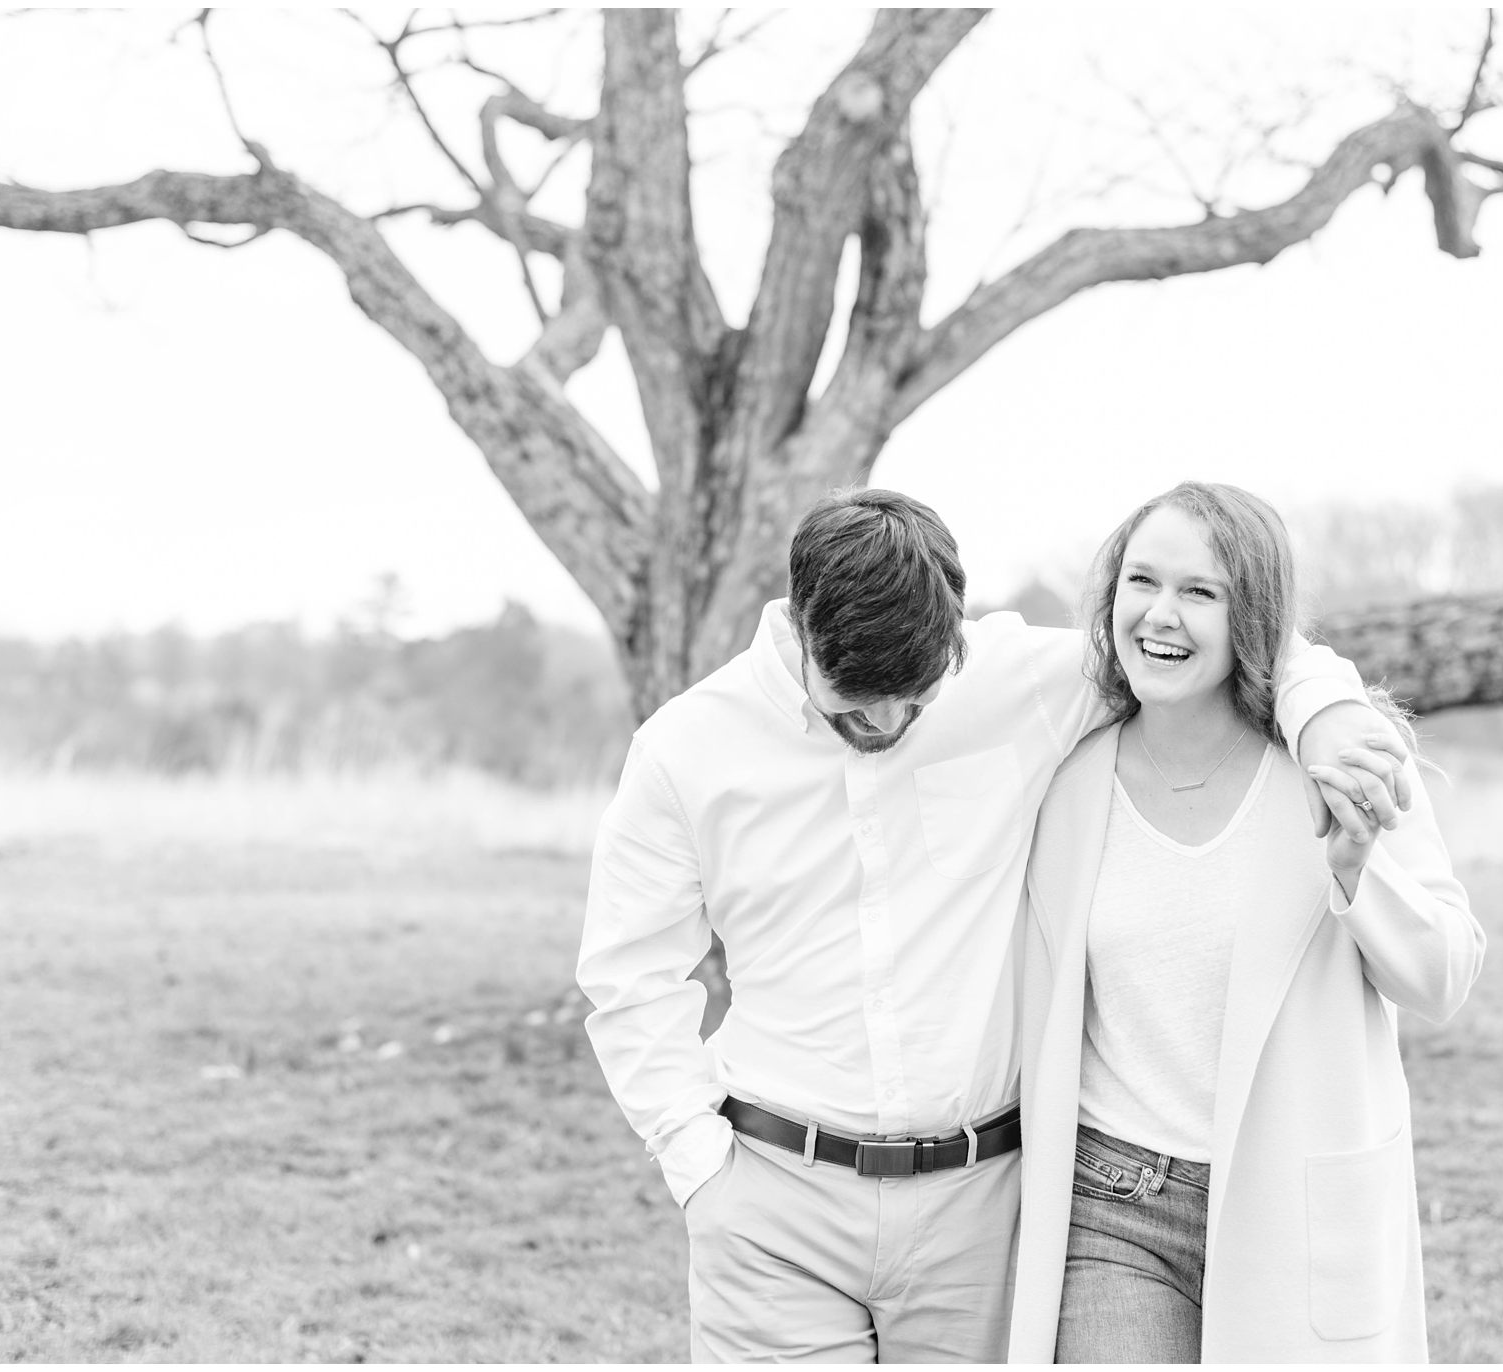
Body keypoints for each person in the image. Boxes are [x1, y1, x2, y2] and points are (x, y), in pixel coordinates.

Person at [576, 487, 1410, 1363]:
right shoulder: (684, 751)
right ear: (801, 628)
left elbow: (1250, 642)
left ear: (958, 632)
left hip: (979, 1217)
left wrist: (1327, 721)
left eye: (917, 697)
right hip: (773, 1205)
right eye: (857, 704)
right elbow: (629, 975)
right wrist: (697, 1166)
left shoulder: (1026, 684)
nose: (891, 723)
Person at [1007, 481, 1484, 1363]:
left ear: (1254, 616)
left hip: (1290, 1204)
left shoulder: (1342, 763)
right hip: (1111, 1210)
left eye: (1201, 592)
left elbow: (1443, 977)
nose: (1161, 615)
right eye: (1141, 581)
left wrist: (1357, 873)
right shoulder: (1064, 783)